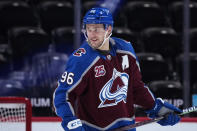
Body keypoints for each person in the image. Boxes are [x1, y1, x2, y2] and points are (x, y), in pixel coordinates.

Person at [53, 7, 182, 131]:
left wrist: (156, 108)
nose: (91, 34)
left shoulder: (126, 50)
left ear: (108, 29)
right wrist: (70, 121)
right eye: (88, 29)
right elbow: (63, 95)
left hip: (127, 127)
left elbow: (135, 88)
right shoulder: (81, 59)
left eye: (96, 29)